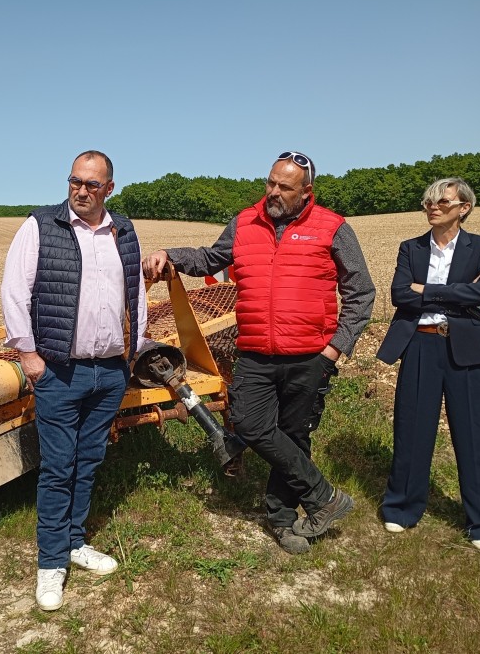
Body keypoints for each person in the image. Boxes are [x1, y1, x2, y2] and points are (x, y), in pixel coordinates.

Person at [143, 151, 376, 554]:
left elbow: (361, 292)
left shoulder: (333, 227)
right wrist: (171, 255)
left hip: (309, 356)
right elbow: (210, 258)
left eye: (284, 187)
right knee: (250, 426)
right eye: (270, 182)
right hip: (254, 351)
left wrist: (335, 349)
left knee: (294, 436)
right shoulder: (245, 222)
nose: (273, 192)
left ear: (306, 192)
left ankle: (283, 521)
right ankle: (323, 496)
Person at [1, 150, 148, 611]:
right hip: (60, 370)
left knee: (89, 460)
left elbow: (135, 294)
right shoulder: (42, 225)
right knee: (58, 466)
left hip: (109, 370)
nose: (81, 191)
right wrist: (28, 355)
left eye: (91, 184)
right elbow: (14, 291)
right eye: (74, 182)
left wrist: (133, 352)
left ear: (109, 188)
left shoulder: (123, 230)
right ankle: (50, 563)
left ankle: (74, 541)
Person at [376, 177, 480, 550]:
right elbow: (400, 294)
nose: (433, 207)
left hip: (468, 349)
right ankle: (401, 508)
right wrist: (458, 294)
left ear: (464, 208)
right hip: (420, 344)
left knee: (477, 433)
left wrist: (427, 290)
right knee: (412, 428)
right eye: (429, 201)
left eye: (443, 202)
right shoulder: (410, 248)